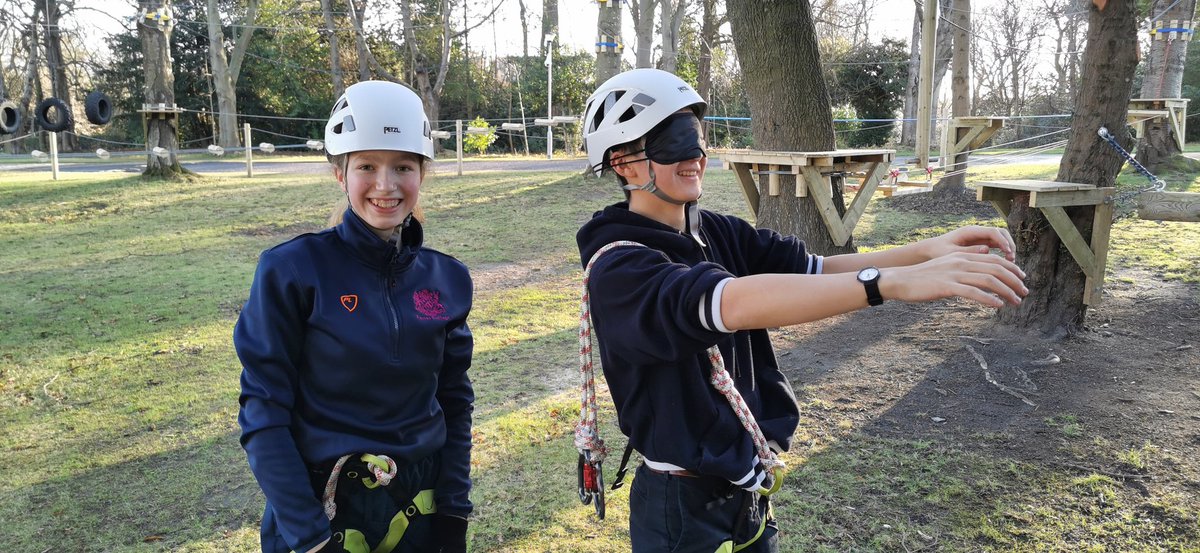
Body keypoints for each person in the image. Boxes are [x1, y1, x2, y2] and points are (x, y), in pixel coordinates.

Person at [576, 68, 1028, 553]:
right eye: (674, 142)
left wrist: (926, 252)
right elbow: (728, 303)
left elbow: (820, 269)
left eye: (698, 139)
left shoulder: (719, 232)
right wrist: (888, 285)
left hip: (746, 488)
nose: (696, 157)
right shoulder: (618, 265)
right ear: (624, 163)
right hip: (680, 506)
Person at [235, 80, 473, 553]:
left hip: (418, 507)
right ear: (340, 173)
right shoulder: (292, 271)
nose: (385, 185)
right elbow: (263, 413)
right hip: (322, 507)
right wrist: (309, 537)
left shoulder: (447, 279)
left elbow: (454, 399)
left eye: (402, 166)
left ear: (421, 173)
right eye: (367, 166)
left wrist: (453, 507)